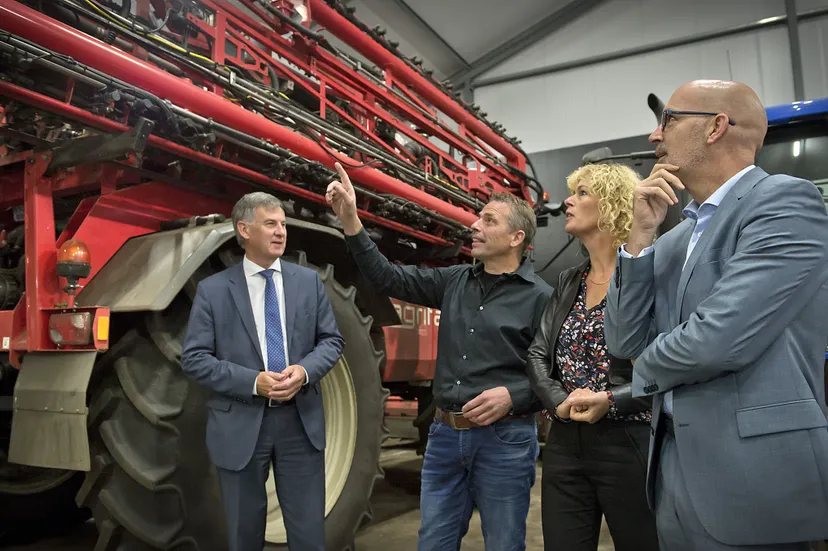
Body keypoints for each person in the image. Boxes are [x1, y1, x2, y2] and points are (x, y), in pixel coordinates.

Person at [604, 79, 828, 551]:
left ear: (716, 127)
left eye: (669, 120)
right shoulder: (673, 239)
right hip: (673, 475)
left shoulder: (785, 201)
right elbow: (623, 341)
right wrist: (640, 235)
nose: (654, 136)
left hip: (753, 478)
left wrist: (640, 374)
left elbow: (719, 338)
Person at [326, 162, 552, 551]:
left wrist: (514, 396)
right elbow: (387, 277)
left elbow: (557, 373)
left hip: (505, 440)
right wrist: (351, 221)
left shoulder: (541, 297)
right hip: (446, 436)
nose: (474, 226)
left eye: (488, 220)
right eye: (478, 218)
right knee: (433, 542)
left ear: (517, 237)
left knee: (504, 543)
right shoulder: (455, 280)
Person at [180, 192, 344, 551]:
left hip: (300, 425)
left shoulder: (307, 282)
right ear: (244, 229)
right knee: (243, 537)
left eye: (283, 224)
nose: (281, 232)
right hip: (241, 425)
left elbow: (331, 342)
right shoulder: (213, 291)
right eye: (270, 223)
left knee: (309, 537)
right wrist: (253, 382)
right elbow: (193, 358)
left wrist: (303, 371)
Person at [526, 162, 659, 551]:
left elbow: (671, 363)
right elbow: (537, 353)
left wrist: (612, 400)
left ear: (613, 204)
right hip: (567, 440)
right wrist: (559, 402)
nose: (568, 200)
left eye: (582, 193)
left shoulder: (648, 274)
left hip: (629, 439)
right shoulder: (570, 279)